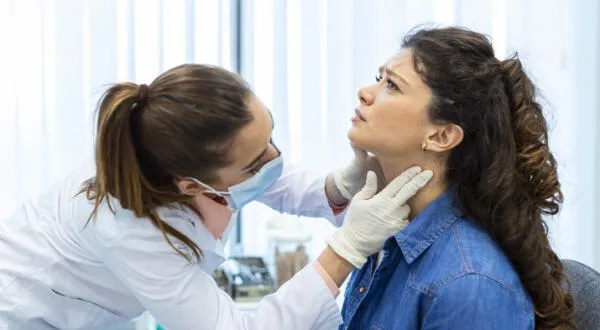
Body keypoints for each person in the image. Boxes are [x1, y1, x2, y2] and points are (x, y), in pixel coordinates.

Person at [0, 63, 432, 329]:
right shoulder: (126, 229)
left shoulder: (191, 151)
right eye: (257, 159)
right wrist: (347, 249)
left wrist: (339, 185)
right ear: (190, 185)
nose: (276, 158)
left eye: (271, 136)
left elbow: (268, 178)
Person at [338, 27, 575, 329]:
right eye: (379, 78)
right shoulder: (388, 233)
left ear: (442, 135)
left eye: (393, 85)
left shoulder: (468, 285)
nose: (366, 93)